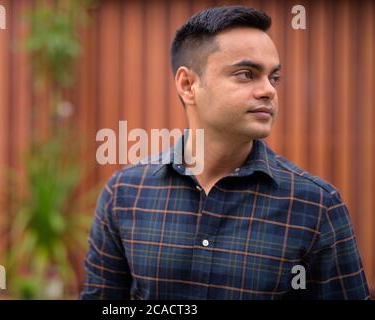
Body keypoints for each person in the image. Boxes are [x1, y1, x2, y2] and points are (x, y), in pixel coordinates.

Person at [80, 6, 370, 300]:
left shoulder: (317, 206)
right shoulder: (125, 194)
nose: (268, 90)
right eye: (247, 74)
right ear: (188, 85)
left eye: (274, 77)